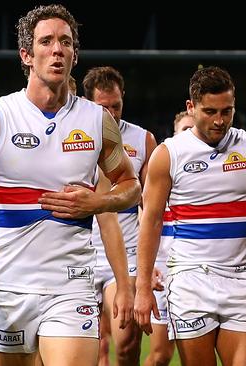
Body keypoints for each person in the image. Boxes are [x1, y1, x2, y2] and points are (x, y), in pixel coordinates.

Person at [0, 4, 141, 366]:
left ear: (74, 54)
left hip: (71, 285)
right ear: (27, 54)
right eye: (47, 41)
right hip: (9, 284)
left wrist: (97, 203)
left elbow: (132, 187)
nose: (58, 50)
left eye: (66, 42)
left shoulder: (97, 120)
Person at [134, 66, 246, 366]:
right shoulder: (168, 153)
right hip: (189, 281)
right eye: (210, 111)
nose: (219, 120)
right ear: (191, 107)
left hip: (240, 282)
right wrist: (143, 284)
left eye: (227, 111)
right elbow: (150, 221)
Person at [83, 65, 157, 366]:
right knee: (95, 348)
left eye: (117, 106)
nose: (112, 114)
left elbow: (150, 209)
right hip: (82, 252)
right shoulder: (73, 139)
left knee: (126, 345)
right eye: (104, 108)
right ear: (88, 103)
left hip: (125, 253)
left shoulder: (142, 140)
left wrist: (152, 263)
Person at [144, 110, 194, 366]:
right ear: (174, 135)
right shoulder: (161, 175)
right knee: (161, 355)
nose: (190, 134)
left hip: (195, 271)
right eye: (184, 129)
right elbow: (146, 223)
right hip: (163, 272)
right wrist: (148, 267)